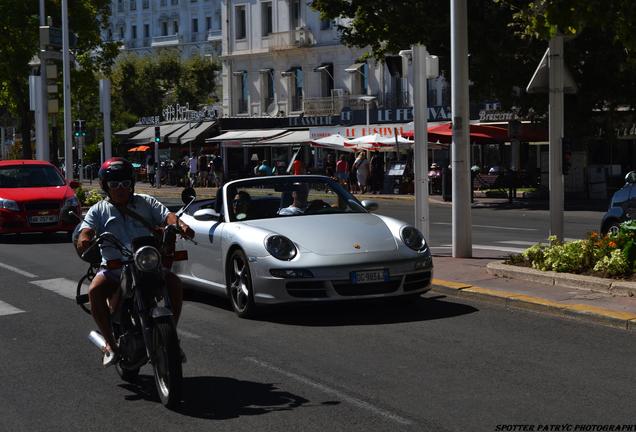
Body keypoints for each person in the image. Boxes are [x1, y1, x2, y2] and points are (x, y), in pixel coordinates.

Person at [75, 157, 194, 367]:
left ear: (131, 184)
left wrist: (180, 225)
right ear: (105, 186)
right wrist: (85, 238)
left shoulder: (146, 202)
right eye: (114, 184)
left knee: (174, 283)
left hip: (147, 265)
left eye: (125, 183)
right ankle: (110, 345)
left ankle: (172, 339)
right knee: (94, 290)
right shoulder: (98, 210)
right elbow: (86, 229)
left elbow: (168, 216)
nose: (120, 188)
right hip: (114, 269)